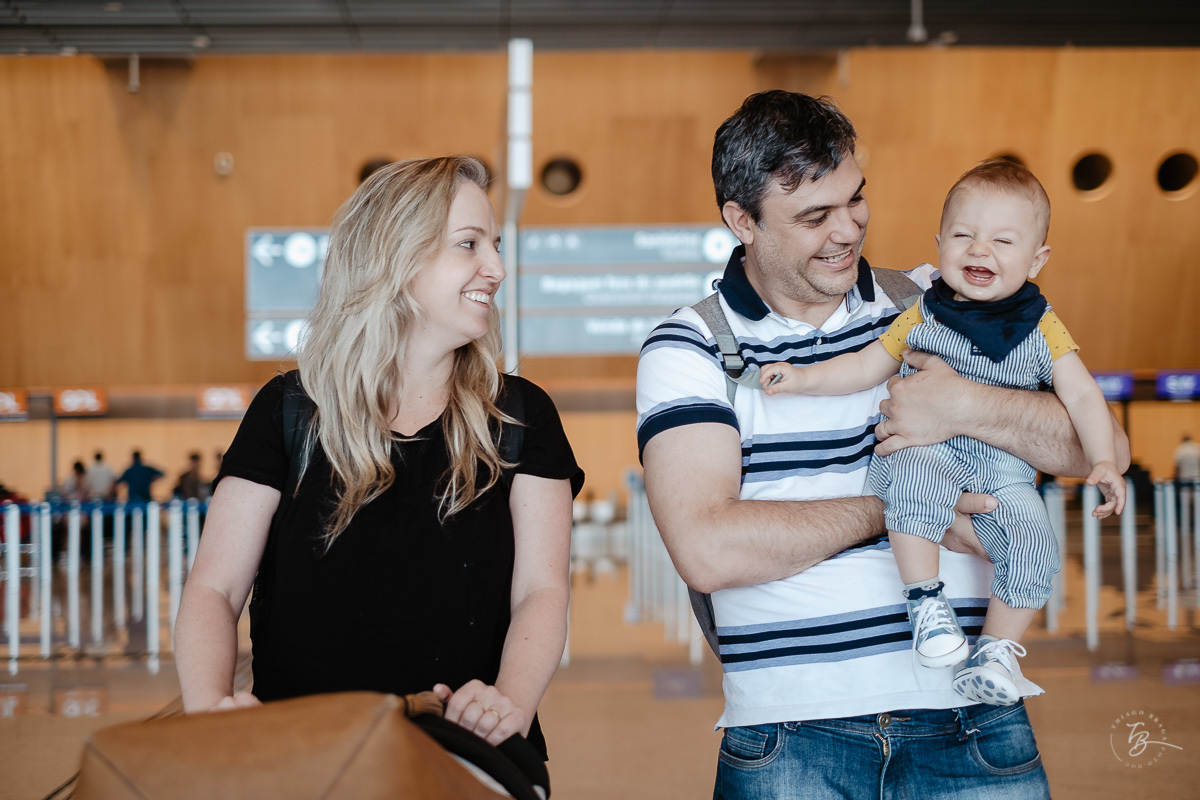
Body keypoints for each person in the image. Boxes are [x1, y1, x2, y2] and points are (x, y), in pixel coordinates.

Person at [635, 90, 1129, 799]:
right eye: (814, 216)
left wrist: (968, 404)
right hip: (790, 735)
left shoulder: (935, 299)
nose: (847, 229)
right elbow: (708, 550)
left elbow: (1101, 445)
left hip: (973, 722)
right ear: (742, 221)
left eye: (855, 199)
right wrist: (906, 508)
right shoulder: (693, 346)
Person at [174, 156, 583, 763]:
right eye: (469, 244)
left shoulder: (521, 416)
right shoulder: (289, 411)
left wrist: (510, 702)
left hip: (465, 750)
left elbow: (541, 592)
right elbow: (214, 587)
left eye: (495, 246)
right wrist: (210, 709)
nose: (496, 269)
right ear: (395, 256)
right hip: (301, 756)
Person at [758, 159, 1125, 706]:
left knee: (1034, 539)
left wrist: (1103, 460)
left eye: (1003, 241)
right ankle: (926, 601)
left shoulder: (1043, 324)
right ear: (939, 244)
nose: (980, 250)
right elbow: (866, 365)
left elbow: (1082, 396)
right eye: (962, 236)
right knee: (912, 477)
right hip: (928, 450)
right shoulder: (923, 311)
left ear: (1037, 259)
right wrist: (804, 378)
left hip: (1003, 472)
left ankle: (996, 651)